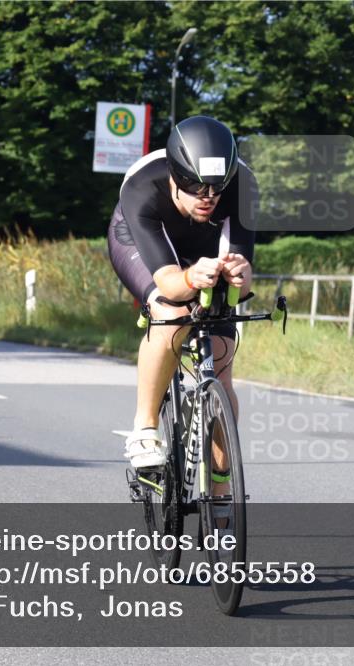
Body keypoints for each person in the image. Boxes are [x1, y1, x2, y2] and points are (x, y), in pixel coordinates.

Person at [107, 116, 256, 489]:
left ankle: (221, 490)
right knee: (171, 312)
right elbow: (171, 284)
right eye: (194, 186)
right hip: (142, 241)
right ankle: (144, 428)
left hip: (206, 248)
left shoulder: (242, 185)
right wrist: (190, 278)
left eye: (216, 188)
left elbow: (242, 266)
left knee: (221, 353)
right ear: (175, 175)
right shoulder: (143, 186)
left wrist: (239, 272)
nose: (207, 198)